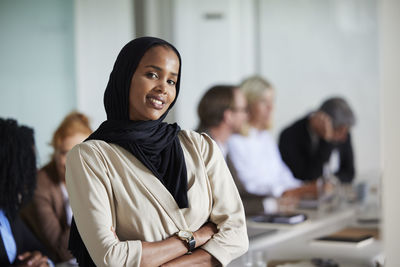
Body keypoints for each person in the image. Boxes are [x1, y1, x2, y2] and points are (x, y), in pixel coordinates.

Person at [65, 37, 248, 267]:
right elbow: (112, 258)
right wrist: (196, 237)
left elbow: (237, 235)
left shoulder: (199, 146)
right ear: (125, 76)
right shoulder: (90, 157)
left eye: (172, 81)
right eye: (152, 75)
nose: (163, 88)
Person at [227, 76, 316, 215]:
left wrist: (305, 188)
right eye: (263, 102)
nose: (271, 108)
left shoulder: (265, 137)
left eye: (272, 101)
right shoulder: (235, 141)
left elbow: (281, 174)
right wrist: (291, 191)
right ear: (248, 105)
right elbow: (249, 186)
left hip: (280, 206)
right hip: (256, 211)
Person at [20, 112, 92, 263]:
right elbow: (63, 251)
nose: (72, 160)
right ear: (55, 152)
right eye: (65, 153)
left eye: (79, 151)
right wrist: (84, 198)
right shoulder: (39, 185)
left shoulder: (97, 176)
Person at [0, 118, 52, 267]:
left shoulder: (8, 212)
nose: (34, 171)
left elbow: (41, 250)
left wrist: (43, 262)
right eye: (26, 165)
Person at [279, 97, 356, 183]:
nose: (344, 138)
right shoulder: (290, 136)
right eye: (340, 131)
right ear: (323, 123)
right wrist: (326, 141)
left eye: (346, 131)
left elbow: (349, 172)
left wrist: (332, 181)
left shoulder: (342, 134)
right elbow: (308, 177)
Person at [196, 85, 248, 158]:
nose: (246, 116)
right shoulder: (199, 150)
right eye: (244, 110)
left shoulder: (224, 147)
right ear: (229, 116)